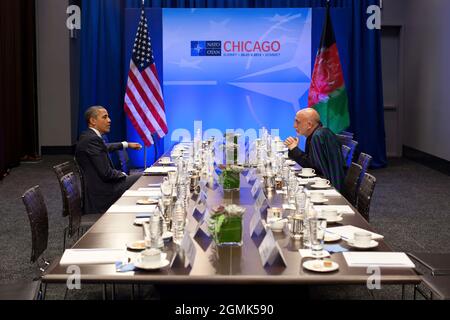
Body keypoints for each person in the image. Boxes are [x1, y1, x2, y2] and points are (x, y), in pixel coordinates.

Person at [75, 106, 143, 214]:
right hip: (103, 193)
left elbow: (105, 147)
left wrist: (126, 144)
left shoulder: (88, 136)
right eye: (105, 117)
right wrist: (123, 175)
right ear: (93, 121)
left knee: (141, 176)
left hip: (100, 188)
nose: (109, 120)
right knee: (142, 178)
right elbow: (107, 173)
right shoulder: (92, 139)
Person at [284, 108, 345, 190]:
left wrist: (294, 149)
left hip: (329, 188)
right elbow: (312, 163)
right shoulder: (317, 134)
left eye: (297, 122)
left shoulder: (318, 136)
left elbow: (314, 169)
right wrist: (294, 149)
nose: (294, 126)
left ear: (309, 125)